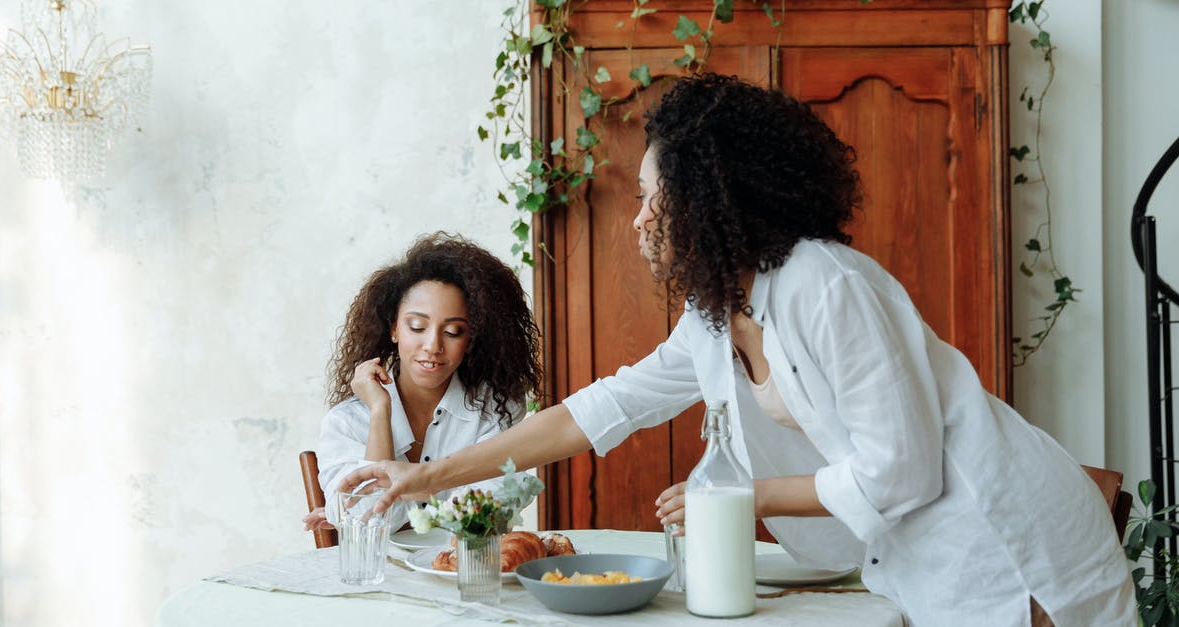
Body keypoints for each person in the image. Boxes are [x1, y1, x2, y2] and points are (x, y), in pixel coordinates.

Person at [335, 75, 1135, 626]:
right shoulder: (718, 316)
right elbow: (597, 411)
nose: (640, 221)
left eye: (655, 199)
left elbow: (904, 468)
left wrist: (742, 498)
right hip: (928, 561)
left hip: (1012, 545)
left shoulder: (825, 283)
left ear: (714, 201)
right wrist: (423, 475)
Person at [302, 232, 542, 532]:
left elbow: (486, 514)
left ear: (470, 341)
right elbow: (369, 525)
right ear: (394, 329)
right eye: (417, 327)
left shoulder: (494, 411)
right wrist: (379, 412)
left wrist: (416, 492)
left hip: (465, 573)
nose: (432, 345)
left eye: (453, 331)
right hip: (383, 578)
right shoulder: (348, 422)